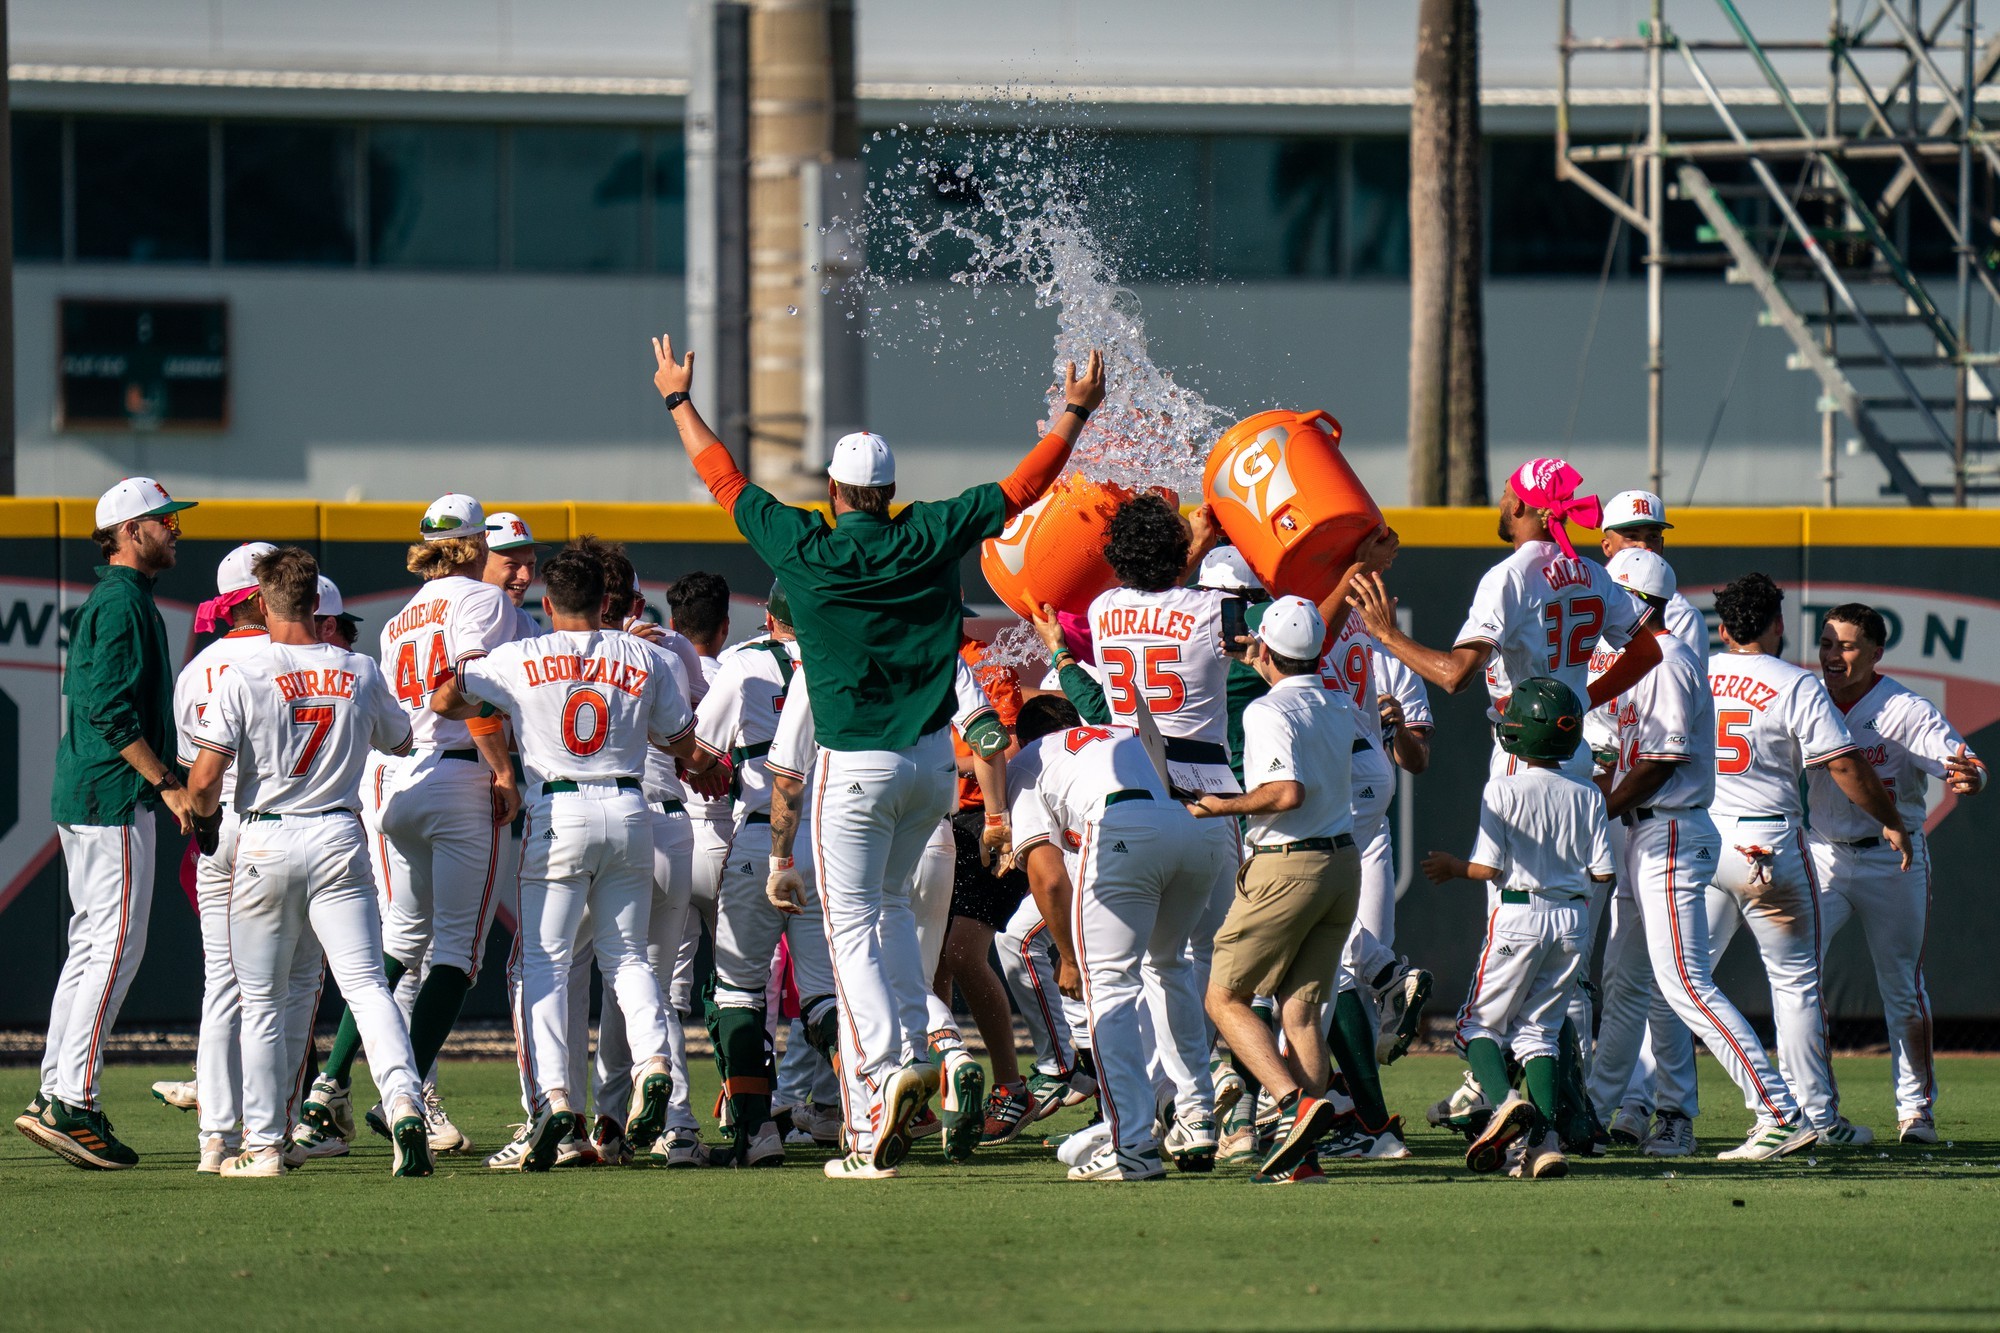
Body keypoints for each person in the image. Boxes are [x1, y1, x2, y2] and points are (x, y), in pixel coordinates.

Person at [652, 331, 1102, 1176]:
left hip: (853, 768)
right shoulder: (929, 530)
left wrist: (678, 398)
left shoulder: (806, 545)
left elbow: (723, 479)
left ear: (833, 490)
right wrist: (1074, 413)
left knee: (849, 929)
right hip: (934, 766)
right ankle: (943, 1044)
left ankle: (878, 1098)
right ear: (889, 492)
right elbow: (1024, 487)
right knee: (890, 913)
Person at [431, 545, 700, 1170]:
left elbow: (447, 698)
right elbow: (683, 741)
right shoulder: (646, 653)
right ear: (607, 602)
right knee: (628, 956)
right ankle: (654, 1063)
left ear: (547, 603)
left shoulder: (519, 655)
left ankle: (554, 1100)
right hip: (630, 807)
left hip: (559, 810)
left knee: (546, 964)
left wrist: (491, 701)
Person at [184, 546, 432, 1178]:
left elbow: (207, 779)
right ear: (318, 605)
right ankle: (404, 1103)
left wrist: (204, 815)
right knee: (367, 986)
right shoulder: (358, 667)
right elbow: (401, 740)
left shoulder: (242, 674)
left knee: (260, 1002)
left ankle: (262, 1144)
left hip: (266, 837)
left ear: (262, 603)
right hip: (337, 835)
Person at [297, 494, 523, 1156]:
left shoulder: (398, 619)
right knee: (458, 953)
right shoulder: (484, 600)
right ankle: (401, 1092)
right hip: (458, 777)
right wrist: (503, 769)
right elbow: (467, 685)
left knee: (399, 943)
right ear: (478, 545)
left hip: (400, 782)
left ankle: (328, 1084)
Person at [1602, 548, 1813, 1162]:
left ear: (1638, 603)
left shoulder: (1668, 659)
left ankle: (1777, 1111)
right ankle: (1645, 1113)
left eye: (1616, 600)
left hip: (1668, 829)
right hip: (1651, 832)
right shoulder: (1639, 658)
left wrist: (1600, 808)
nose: (1606, 611)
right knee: (1641, 981)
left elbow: (1663, 762)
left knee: (1687, 985)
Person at [763, 650, 1011, 1171]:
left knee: (850, 931)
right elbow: (988, 735)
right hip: (934, 793)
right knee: (891, 910)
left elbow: (787, 776)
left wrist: (780, 858)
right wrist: (996, 816)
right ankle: (924, 1052)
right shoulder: (935, 640)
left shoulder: (823, 640)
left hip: (857, 779)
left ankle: (877, 1084)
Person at [18, 478, 199, 1171]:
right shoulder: (122, 603)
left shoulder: (122, 600)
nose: (173, 529)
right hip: (112, 794)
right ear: (128, 530)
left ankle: (52, 1091)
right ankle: (75, 1101)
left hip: (95, 792)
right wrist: (166, 782)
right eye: (162, 520)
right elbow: (107, 710)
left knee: (92, 945)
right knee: (113, 947)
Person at [1706, 574, 1905, 1148]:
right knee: (1793, 985)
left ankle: (1655, 1110)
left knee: (1685, 981)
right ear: (1777, 626)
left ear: (1722, 628)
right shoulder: (1795, 682)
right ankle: (1814, 1117)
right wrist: (1890, 817)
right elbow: (1844, 767)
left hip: (1703, 840)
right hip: (1768, 843)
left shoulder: (1696, 671)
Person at [1009, 696, 1228, 1182]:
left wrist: (1067, 956)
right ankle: (1195, 1117)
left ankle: (1131, 1142)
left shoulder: (1028, 760)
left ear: (1024, 739)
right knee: (1169, 966)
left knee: (1106, 985)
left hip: (1121, 832)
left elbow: (1048, 879)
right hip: (1191, 827)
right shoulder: (1114, 735)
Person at [1350, 457, 1659, 781]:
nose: (1501, 502)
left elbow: (1456, 676)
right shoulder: (1594, 573)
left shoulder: (1511, 577)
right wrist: (1580, 701)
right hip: (1576, 755)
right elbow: (1648, 652)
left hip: (1524, 756)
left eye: (1505, 493)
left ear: (1519, 506)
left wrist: (1388, 635)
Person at [1193, 597, 1362, 1186]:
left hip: (1288, 864)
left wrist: (1222, 805)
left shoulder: (1267, 710)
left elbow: (1284, 792)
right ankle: (1305, 1158)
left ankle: (1295, 1105)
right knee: (1301, 1012)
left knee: (1224, 998)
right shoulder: (1340, 700)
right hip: (1343, 863)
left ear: (1263, 649)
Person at [1422, 678, 1616, 1182]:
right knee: (1542, 1034)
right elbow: (1603, 874)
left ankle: (1506, 1103)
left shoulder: (1502, 787)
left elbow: (1487, 869)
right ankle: (1545, 1142)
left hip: (1519, 913)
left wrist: (1450, 866)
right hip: (1572, 919)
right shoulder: (1589, 792)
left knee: (1475, 1026)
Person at [1809, 602, 1985, 1144]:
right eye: (1827, 643)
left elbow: (1963, 761)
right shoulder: (1806, 697)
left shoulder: (1903, 708)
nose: (1833, 655)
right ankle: (1814, 1111)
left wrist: (1971, 776)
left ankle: (1915, 1111)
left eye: (1848, 645)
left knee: (1902, 990)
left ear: (1876, 652)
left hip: (1894, 858)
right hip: (1823, 854)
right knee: (1795, 979)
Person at [688, 580, 837, 1167]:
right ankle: (870, 1102)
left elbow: (698, 752)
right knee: (827, 994)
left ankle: (756, 1133)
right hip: (827, 837)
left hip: (759, 830)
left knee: (739, 990)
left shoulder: (745, 661)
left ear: (769, 618)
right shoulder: (842, 656)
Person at [172, 542, 278, 1172]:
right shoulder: (283, 658)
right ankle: (278, 1127)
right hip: (271, 823)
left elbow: (193, 768)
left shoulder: (197, 668)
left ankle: (216, 1136)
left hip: (213, 825)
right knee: (283, 986)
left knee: (223, 983)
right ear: (262, 598)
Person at [661, 569, 733, 1165]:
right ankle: (760, 1106)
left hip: (671, 834)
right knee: (744, 989)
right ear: (725, 624)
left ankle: (676, 1123)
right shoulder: (743, 670)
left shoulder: (653, 662)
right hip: (737, 837)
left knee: (664, 990)